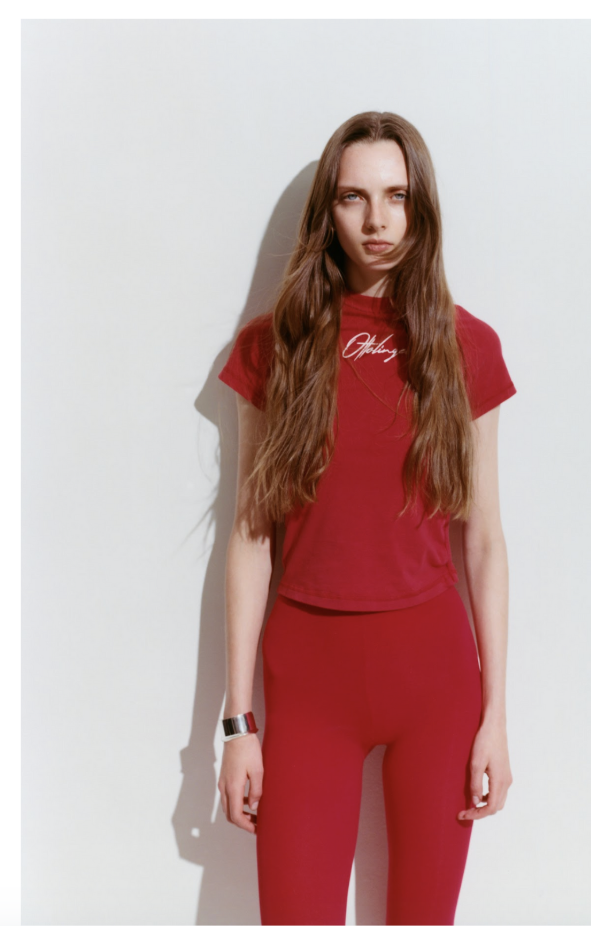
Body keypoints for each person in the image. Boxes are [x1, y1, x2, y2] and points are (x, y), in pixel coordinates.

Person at [216, 111, 517, 926]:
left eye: (397, 197)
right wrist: (238, 725)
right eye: (355, 198)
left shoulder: (467, 348)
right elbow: (249, 538)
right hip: (308, 682)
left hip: (436, 681)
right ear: (330, 209)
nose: (377, 221)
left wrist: (495, 717)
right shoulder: (273, 347)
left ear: (423, 209)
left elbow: (483, 539)